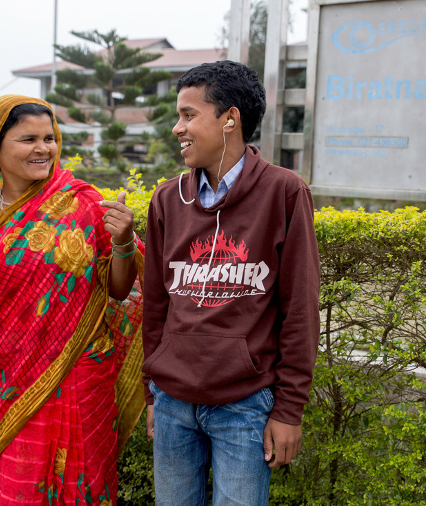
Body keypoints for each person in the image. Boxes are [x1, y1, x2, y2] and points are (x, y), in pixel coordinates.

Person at [0, 95, 145, 504]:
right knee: (17, 490)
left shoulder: (82, 203)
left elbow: (120, 290)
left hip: (81, 379)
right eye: (28, 138)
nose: (43, 148)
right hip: (6, 386)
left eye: (50, 138)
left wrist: (122, 243)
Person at [142, 60, 320, 505]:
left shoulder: (284, 192)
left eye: (188, 115)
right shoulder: (167, 198)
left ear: (229, 119)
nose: (177, 128)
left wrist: (289, 409)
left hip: (245, 407)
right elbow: (156, 305)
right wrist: (152, 392)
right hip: (171, 404)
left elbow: (299, 308)